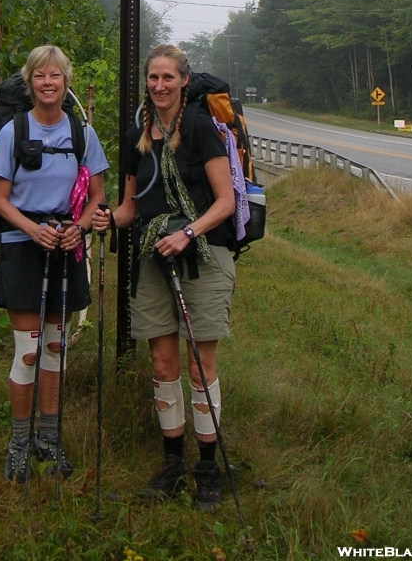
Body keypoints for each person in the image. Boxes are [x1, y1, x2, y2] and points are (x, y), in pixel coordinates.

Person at [92, 44, 236, 511]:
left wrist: (187, 232)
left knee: (199, 364)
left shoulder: (199, 128)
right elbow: (132, 208)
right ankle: (172, 463)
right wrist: (106, 220)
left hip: (204, 254)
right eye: (153, 78)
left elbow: (225, 202)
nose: (159, 86)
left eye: (168, 78)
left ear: (183, 82)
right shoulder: (139, 133)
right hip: (152, 255)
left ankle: (208, 468)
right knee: (161, 364)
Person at [0, 45, 108, 483]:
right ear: (30, 83)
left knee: (56, 348)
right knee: (28, 351)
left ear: (66, 82)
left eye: (55, 75)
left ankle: (50, 439)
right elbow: (0, 199)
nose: (47, 83)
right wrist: (32, 229)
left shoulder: (82, 134)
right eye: (39, 76)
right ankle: (19, 445)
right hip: (24, 245)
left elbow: (97, 194)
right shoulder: (13, 132)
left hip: (65, 245)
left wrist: (79, 227)